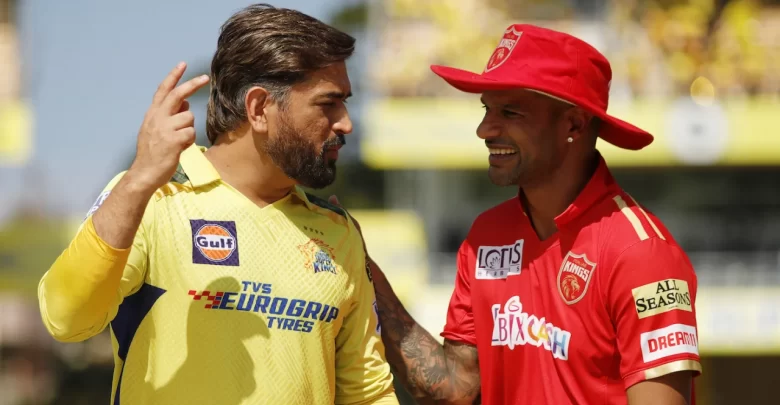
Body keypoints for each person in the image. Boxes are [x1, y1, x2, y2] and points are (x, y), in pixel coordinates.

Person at [37, 4, 397, 405]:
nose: (346, 122)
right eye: (328, 104)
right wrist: (139, 178)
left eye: (345, 103)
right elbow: (65, 319)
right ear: (260, 108)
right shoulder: (153, 198)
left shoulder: (338, 231)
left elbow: (368, 393)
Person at [340, 24, 701, 405]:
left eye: (510, 112)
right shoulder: (487, 235)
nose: (484, 129)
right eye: (486, 109)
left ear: (574, 124)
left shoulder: (641, 252)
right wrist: (361, 267)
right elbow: (456, 387)